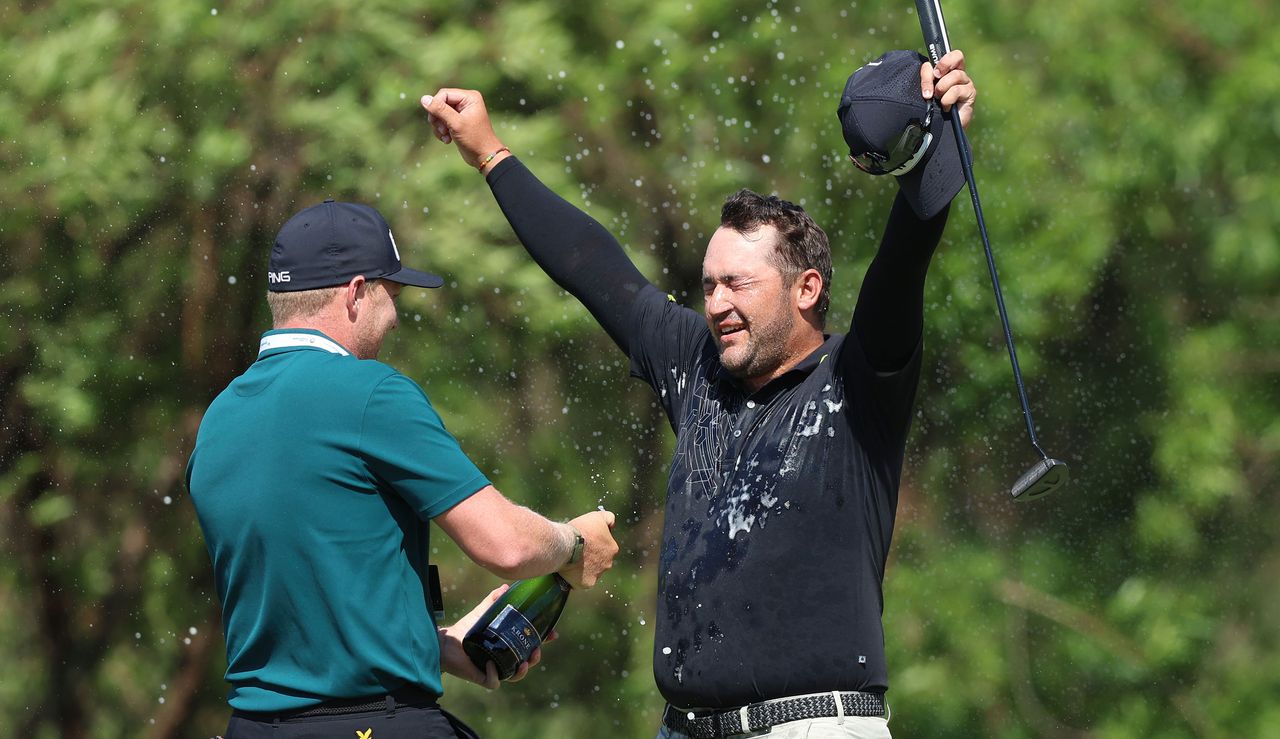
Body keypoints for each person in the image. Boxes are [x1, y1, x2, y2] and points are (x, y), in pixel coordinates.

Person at [422, 46, 975, 739]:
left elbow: (904, 261)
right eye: (708, 284)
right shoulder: (697, 367)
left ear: (807, 289)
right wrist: (489, 153)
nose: (715, 303)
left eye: (737, 283)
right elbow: (593, 267)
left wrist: (933, 142)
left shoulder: (859, 381)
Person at [185, 199, 620, 739]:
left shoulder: (220, 417)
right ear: (354, 293)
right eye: (391, 297)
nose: (394, 317)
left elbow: (298, 592)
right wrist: (574, 543)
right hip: (374, 724)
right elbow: (507, 547)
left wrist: (430, 644)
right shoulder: (370, 393)